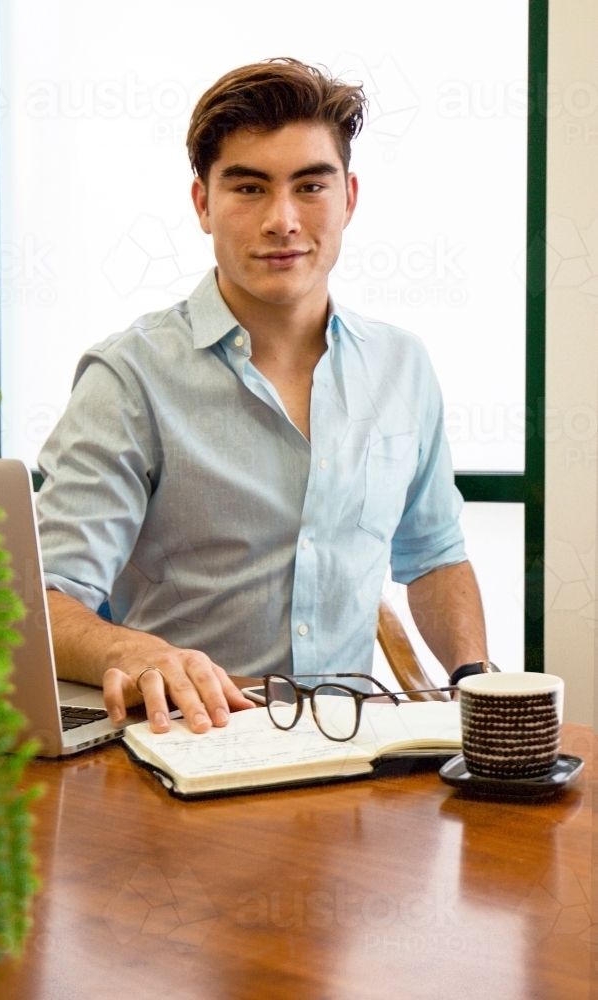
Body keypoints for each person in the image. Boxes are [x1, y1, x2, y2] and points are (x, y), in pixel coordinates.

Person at [37, 58, 489, 737]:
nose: (282, 220)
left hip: (354, 755)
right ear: (202, 204)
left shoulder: (402, 365)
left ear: (349, 198)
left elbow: (434, 557)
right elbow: (39, 601)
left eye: (310, 185)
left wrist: (475, 681)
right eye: (248, 188)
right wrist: (133, 651)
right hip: (192, 747)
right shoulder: (129, 377)